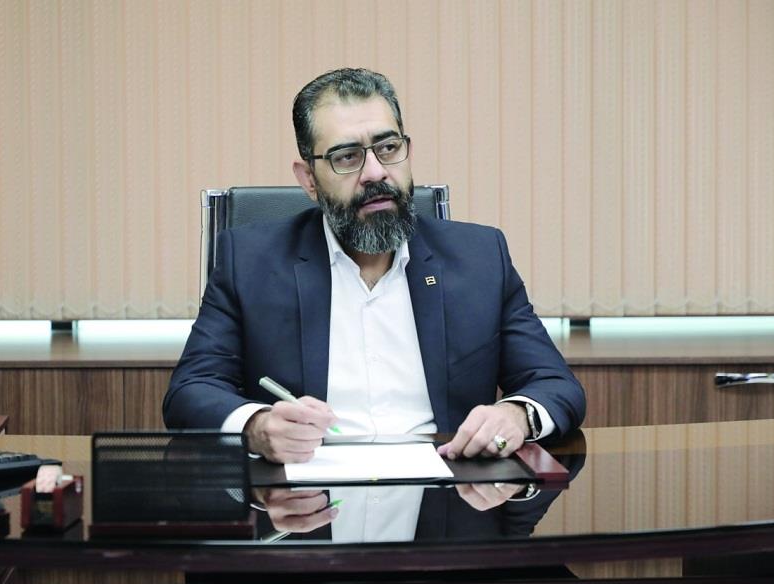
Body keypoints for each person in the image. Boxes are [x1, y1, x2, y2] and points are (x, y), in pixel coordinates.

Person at [163, 68, 585, 464]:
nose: (375, 172)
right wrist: (256, 427)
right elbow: (190, 391)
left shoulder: (479, 258)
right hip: (305, 499)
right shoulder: (250, 260)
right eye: (347, 156)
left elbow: (555, 384)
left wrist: (515, 415)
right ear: (308, 179)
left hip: (449, 492)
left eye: (388, 148)